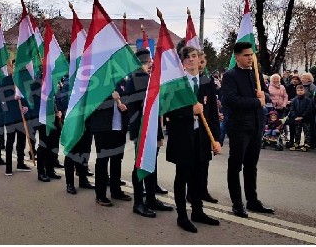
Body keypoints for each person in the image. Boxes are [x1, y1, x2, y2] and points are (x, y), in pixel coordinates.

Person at [167, 46, 221, 233]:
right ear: (182, 62)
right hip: (183, 137)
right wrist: (189, 111)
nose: (191, 60)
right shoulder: (176, 84)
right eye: (187, 57)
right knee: (183, 176)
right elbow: (168, 110)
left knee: (199, 175)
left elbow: (212, 113)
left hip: (202, 137)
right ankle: (182, 216)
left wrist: (216, 139)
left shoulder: (206, 82)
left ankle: (198, 211)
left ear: (200, 60)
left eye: (194, 56)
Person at [219, 42, 274, 218]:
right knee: (235, 165)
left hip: (256, 125)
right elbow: (230, 100)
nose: (250, 58)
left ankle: (252, 200)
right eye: (246, 55)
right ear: (237, 57)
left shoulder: (255, 73)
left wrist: (264, 96)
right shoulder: (230, 76)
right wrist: (256, 101)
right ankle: (237, 203)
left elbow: (265, 95)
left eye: (252, 55)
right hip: (239, 127)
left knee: (251, 165)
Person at [119, 47, 172, 218]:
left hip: (153, 127)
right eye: (147, 62)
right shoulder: (134, 79)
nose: (150, 64)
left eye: (150, 61)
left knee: (151, 164)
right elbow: (131, 103)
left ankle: (151, 198)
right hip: (141, 128)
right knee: (141, 164)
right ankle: (138, 203)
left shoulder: (150, 79)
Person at [85, 73, 131, 207]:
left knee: (117, 160)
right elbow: (92, 104)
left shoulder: (122, 82)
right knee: (103, 161)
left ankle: (116, 190)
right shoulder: (98, 82)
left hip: (119, 128)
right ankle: (100, 194)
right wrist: (110, 97)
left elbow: (128, 98)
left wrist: (124, 103)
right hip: (103, 128)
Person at [0, 67, 31, 177]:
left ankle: (20, 163)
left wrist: (26, 107)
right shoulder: (5, 81)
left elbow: (29, 96)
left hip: (22, 116)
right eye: (14, 67)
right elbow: (0, 98)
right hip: (10, 116)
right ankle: (8, 167)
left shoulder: (23, 80)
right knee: (10, 141)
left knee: (21, 141)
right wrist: (13, 97)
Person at [286, 84, 315, 150]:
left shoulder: (308, 100)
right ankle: (296, 143)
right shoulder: (294, 100)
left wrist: (303, 116)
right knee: (297, 132)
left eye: (301, 90)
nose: (300, 92)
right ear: (296, 91)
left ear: (304, 91)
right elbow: (292, 109)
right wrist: (295, 116)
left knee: (307, 132)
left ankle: (307, 144)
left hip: (305, 119)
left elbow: (308, 109)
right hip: (296, 119)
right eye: (298, 90)